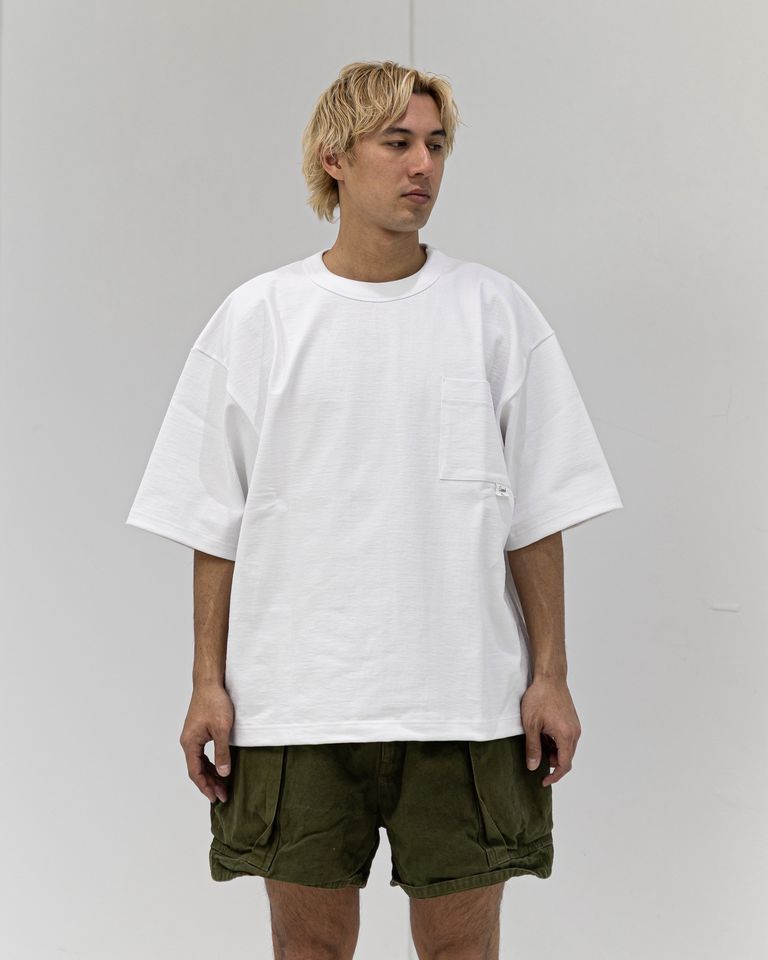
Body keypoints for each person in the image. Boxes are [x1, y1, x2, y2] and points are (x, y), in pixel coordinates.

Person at [125, 60, 623, 960]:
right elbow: (213, 523)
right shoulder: (260, 318)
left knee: (461, 951)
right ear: (335, 158)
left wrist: (550, 674)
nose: (422, 165)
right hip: (296, 706)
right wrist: (207, 681)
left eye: (436, 144)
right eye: (397, 143)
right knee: (310, 950)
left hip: (466, 703)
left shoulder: (494, 313)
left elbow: (537, 514)